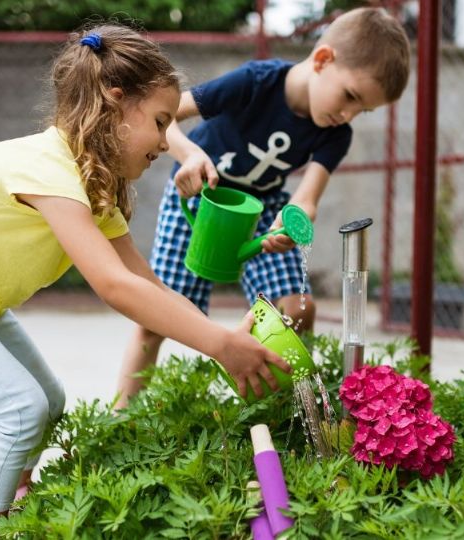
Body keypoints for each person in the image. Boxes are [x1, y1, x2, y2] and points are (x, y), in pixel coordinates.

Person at [0, 25, 288, 540]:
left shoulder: (92, 185)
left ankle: (18, 501)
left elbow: (147, 284)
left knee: (48, 402)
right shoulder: (53, 170)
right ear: (116, 104)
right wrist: (219, 345)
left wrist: (223, 338)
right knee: (21, 408)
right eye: (161, 123)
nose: (167, 143)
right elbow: (113, 287)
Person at [119, 7, 411, 407]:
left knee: (295, 310)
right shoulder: (255, 83)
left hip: (262, 208)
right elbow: (163, 121)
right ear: (323, 59)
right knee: (154, 321)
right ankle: (121, 419)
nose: (348, 115)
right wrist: (189, 155)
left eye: (363, 110)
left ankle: (276, 408)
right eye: (350, 97)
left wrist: (289, 225)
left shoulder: (335, 135)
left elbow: (305, 201)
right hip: (200, 200)